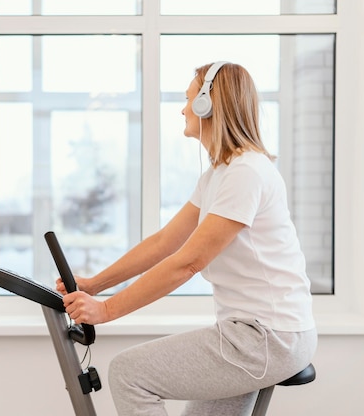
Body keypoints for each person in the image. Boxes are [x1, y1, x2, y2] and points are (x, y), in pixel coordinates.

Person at [57, 62, 317, 415]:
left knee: (129, 373)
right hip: (256, 335)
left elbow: (188, 262)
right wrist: (95, 284)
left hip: (265, 339)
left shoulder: (247, 173)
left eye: (188, 98)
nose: (182, 109)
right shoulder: (218, 174)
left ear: (208, 104)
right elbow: (166, 242)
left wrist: (105, 310)